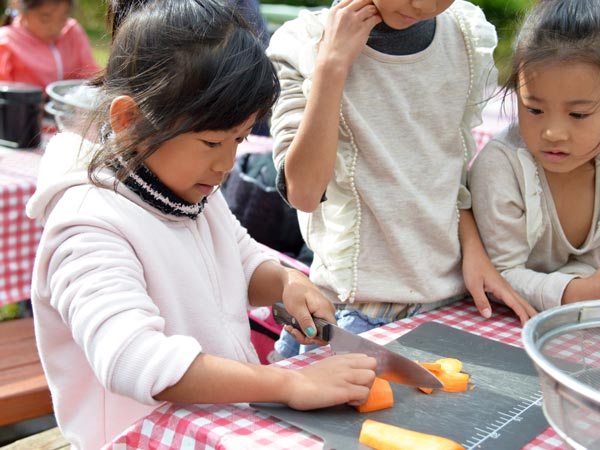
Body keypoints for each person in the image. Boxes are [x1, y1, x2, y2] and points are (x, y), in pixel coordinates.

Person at [25, 1, 378, 448]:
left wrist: (285, 282)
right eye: (211, 142)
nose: (226, 163)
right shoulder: (87, 227)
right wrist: (291, 384)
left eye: (239, 139)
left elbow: (239, 258)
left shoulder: (185, 187)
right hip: (141, 439)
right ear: (128, 120)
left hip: (221, 426)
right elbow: (134, 359)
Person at [266, 0, 537, 357]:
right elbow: (304, 192)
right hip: (355, 313)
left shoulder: (466, 35)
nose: (423, 5)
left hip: (450, 304)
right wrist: (332, 65)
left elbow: (447, 173)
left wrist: (474, 250)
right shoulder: (304, 42)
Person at [469, 0, 600, 312]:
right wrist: (575, 292)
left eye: (578, 114)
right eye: (534, 109)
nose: (553, 132)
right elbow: (500, 275)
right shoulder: (503, 167)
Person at [0, 0, 100, 89]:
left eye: (63, 18)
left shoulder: (72, 32)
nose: (55, 28)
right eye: (45, 19)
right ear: (20, 7)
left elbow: (91, 75)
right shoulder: (6, 42)